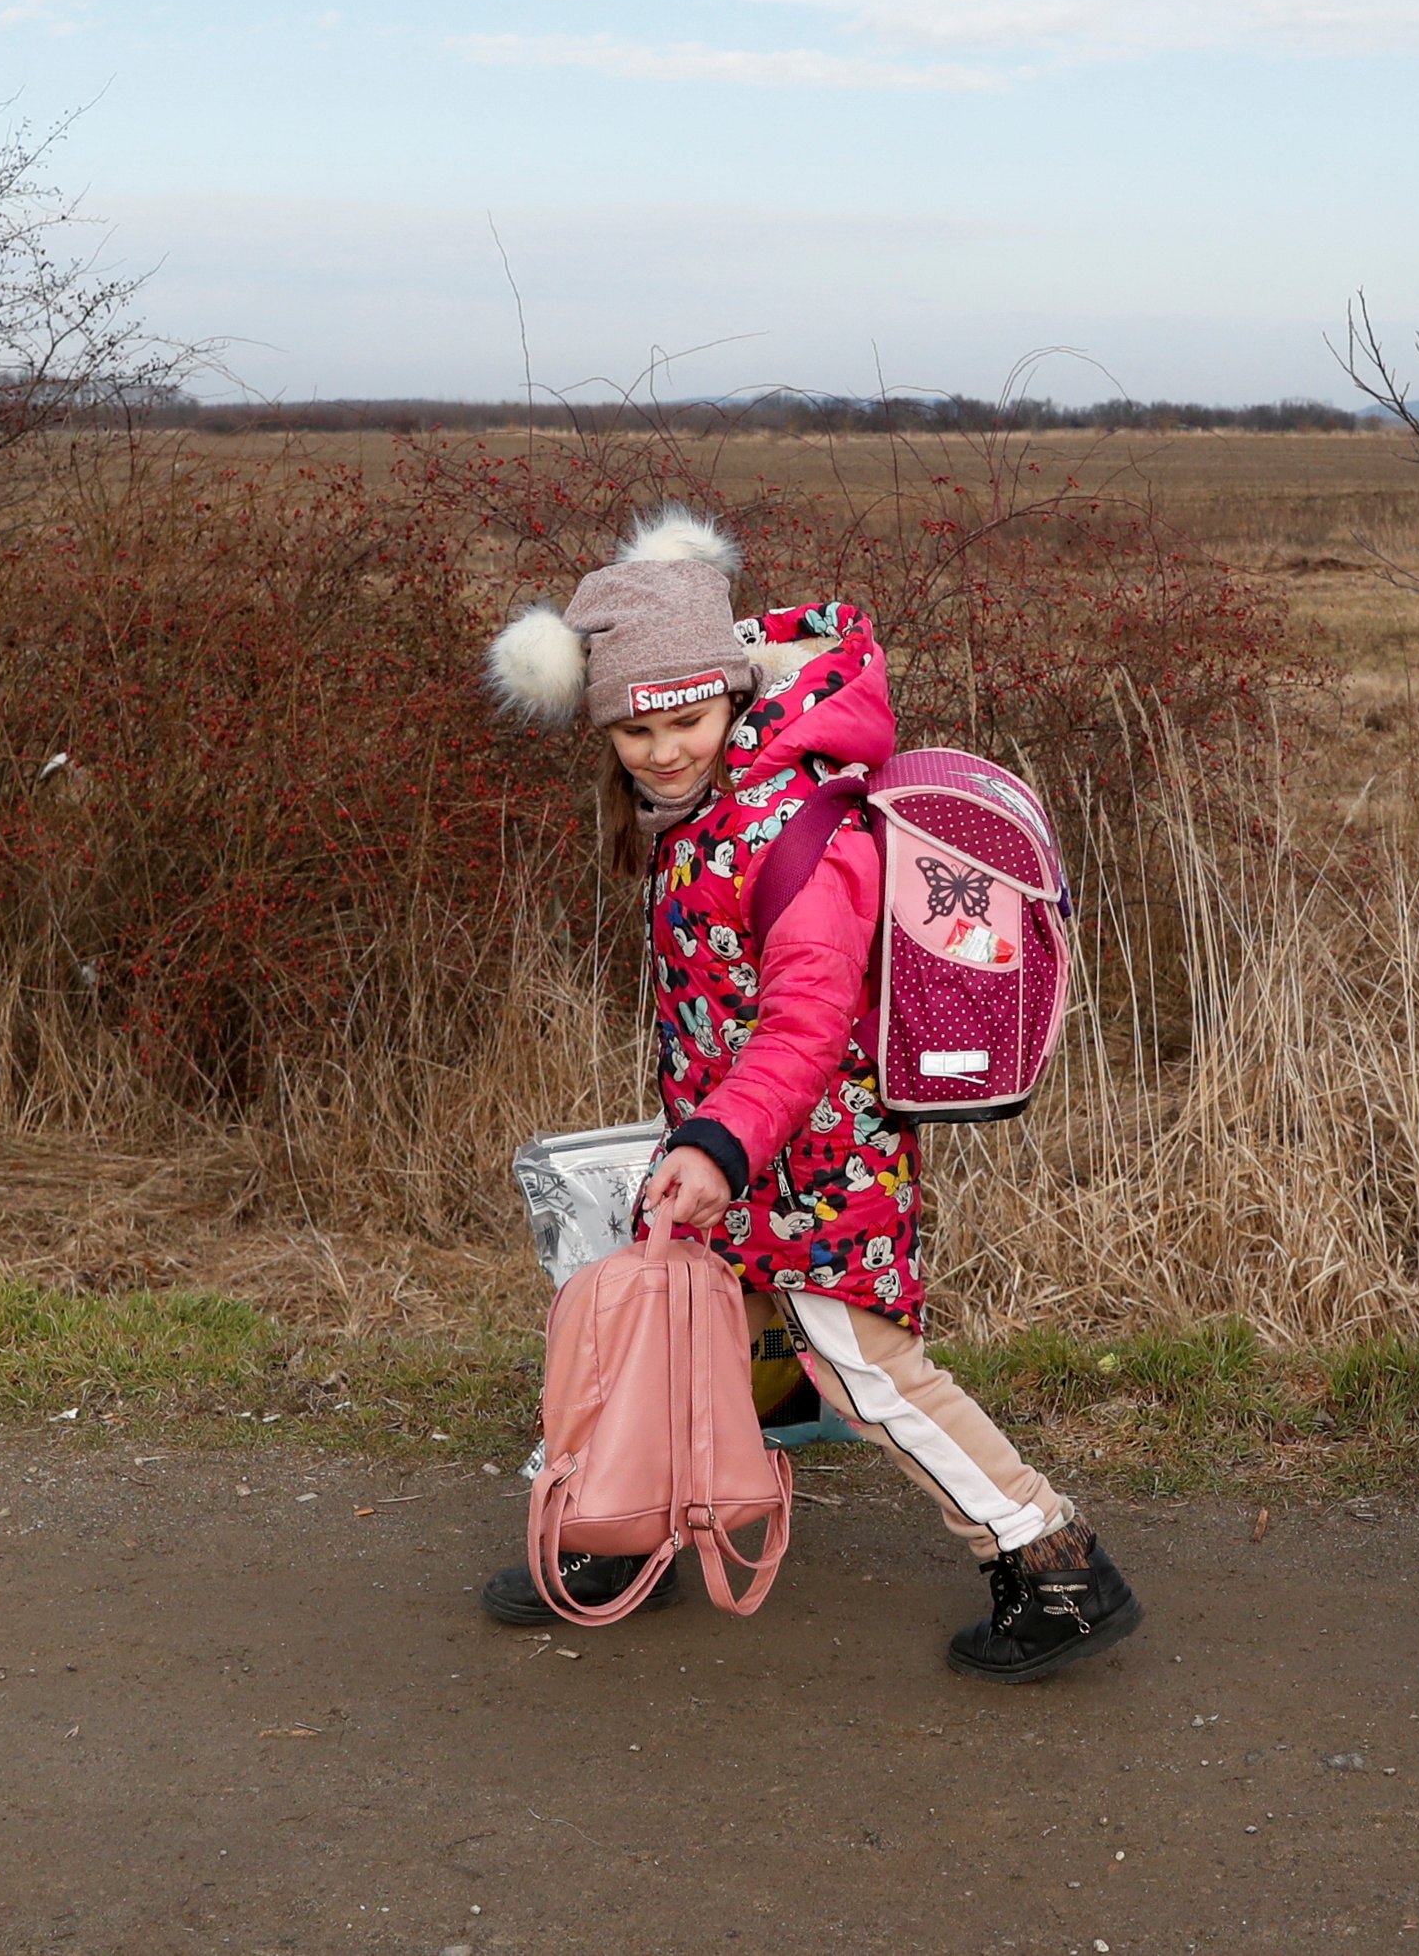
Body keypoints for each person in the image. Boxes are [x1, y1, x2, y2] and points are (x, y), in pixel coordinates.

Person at [471, 509, 1141, 1683]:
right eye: (633, 729)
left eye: (685, 720)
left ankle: (1049, 1554)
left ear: (733, 695)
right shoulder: (704, 809)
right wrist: (715, 1137)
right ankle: (622, 1532)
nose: (662, 749)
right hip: (740, 1136)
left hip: (813, 1153)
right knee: (677, 1324)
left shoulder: (794, 828)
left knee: (860, 1364)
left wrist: (721, 1142)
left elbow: (807, 1019)